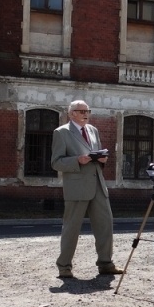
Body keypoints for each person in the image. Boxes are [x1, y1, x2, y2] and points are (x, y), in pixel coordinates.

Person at [51, 100, 122, 278]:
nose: (86, 114)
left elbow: (96, 154)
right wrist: (77, 160)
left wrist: (102, 159)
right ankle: (64, 266)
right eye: (81, 111)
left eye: (87, 111)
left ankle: (105, 263)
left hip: (98, 184)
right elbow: (56, 162)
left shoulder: (93, 130)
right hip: (77, 187)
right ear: (71, 113)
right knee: (71, 228)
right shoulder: (61, 132)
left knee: (105, 224)